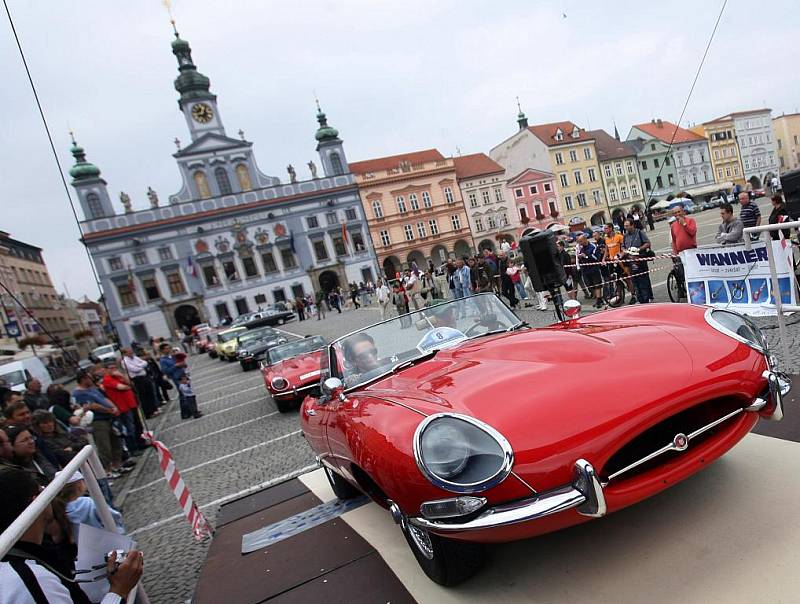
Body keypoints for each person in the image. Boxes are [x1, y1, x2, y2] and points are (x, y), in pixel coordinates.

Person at [0, 467, 143, 604]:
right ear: (35, 503)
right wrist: (119, 590)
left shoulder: (25, 560)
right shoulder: (30, 578)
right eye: (42, 490)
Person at [71, 370, 123, 477]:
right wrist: (108, 410)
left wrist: (114, 407)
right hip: (98, 421)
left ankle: (117, 466)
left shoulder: (92, 388)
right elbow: (93, 406)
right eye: (89, 378)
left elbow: (103, 398)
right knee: (104, 447)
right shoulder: (79, 393)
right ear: (83, 379)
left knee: (116, 443)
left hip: (108, 418)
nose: (92, 380)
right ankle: (107, 471)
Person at [100, 364, 142, 454]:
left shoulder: (118, 377)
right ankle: (133, 448)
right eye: (111, 368)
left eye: (115, 367)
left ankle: (140, 442)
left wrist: (122, 376)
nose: (114, 370)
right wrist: (127, 386)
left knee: (135, 425)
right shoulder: (107, 379)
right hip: (122, 407)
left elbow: (130, 383)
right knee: (129, 428)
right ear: (106, 370)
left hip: (130, 404)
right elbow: (121, 387)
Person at [622, 219, 654, 304]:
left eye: (627, 226)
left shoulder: (639, 233)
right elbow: (623, 246)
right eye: (625, 226)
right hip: (630, 261)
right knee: (635, 280)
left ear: (632, 225)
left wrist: (638, 249)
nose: (626, 227)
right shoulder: (625, 236)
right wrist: (625, 251)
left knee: (644, 279)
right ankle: (640, 299)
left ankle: (647, 297)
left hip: (640, 259)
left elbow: (647, 243)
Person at [121, 348, 158, 419]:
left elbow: (145, 363)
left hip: (144, 377)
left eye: (131, 351)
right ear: (125, 353)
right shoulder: (125, 362)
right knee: (143, 396)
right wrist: (140, 366)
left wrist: (139, 366)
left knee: (150, 393)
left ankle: (154, 409)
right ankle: (148, 412)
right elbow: (134, 369)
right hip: (137, 379)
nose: (131, 353)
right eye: (129, 352)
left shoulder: (135, 358)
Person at [576, 234, 604, 308]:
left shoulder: (593, 246)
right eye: (579, 242)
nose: (580, 243)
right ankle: (598, 299)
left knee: (597, 284)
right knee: (591, 285)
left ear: (585, 239)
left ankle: (599, 300)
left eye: (581, 241)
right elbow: (580, 256)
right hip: (586, 269)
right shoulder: (582, 248)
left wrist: (586, 256)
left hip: (594, 268)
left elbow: (596, 257)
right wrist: (580, 257)